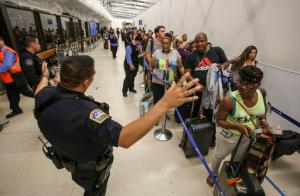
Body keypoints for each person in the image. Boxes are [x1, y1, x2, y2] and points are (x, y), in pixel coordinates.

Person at [34, 55, 201, 196]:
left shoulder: (45, 95)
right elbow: (124, 138)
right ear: (86, 82)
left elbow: (38, 90)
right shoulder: (89, 115)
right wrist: (164, 104)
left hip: (67, 155)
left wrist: (43, 76)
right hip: (89, 169)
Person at [206, 66, 268, 187]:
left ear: (258, 85)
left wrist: (263, 120)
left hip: (247, 136)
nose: (242, 87)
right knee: (219, 156)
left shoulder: (262, 93)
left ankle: (228, 174)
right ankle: (213, 173)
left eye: (248, 84)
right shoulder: (229, 100)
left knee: (237, 160)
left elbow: (262, 112)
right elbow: (219, 121)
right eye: (240, 82)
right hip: (229, 135)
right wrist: (237, 126)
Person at [184, 32, 229, 147]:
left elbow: (227, 62)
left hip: (212, 92)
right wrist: (196, 84)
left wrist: (222, 66)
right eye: (197, 42)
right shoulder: (191, 56)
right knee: (193, 113)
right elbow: (187, 73)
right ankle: (190, 138)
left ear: (207, 41)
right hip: (197, 90)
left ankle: (211, 139)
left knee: (210, 115)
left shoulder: (216, 51)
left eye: (202, 41)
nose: (199, 44)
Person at [0, 36, 34, 118]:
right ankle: (16, 110)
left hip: (16, 77)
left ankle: (46, 97)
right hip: (8, 79)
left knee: (27, 92)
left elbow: (6, 65)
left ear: (2, 41)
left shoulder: (7, 51)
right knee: (11, 95)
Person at [150, 37, 190, 104]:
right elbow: (151, 66)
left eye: (167, 44)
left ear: (170, 44)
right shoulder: (156, 53)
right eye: (163, 43)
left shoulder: (175, 53)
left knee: (168, 103)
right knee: (157, 103)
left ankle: (165, 113)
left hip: (169, 83)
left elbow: (180, 67)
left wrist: (185, 78)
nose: (165, 45)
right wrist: (149, 79)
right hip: (158, 82)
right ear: (161, 44)